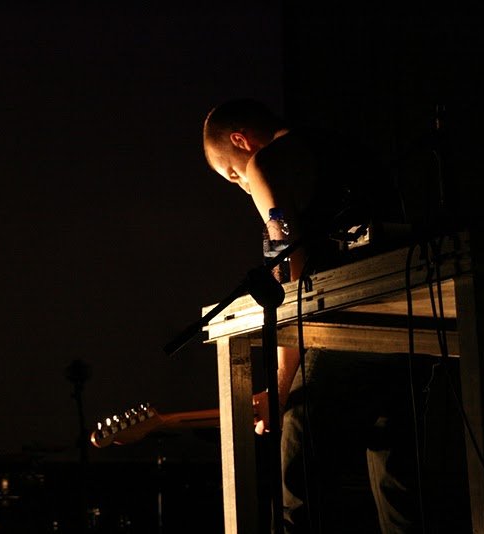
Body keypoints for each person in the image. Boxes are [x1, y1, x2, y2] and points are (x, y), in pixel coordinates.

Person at [202, 98, 440, 533]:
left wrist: (280, 386)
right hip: (410, 325)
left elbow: (288, 283)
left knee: (300, 488)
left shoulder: (266, 162)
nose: (241, 184)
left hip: (349, 327)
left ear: (241, 140)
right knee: (401, 491)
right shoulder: (347, 148)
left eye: (233, 174)